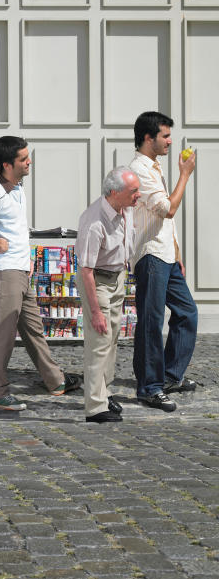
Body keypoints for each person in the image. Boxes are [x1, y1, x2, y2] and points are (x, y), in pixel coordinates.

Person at [0, 136, 81, 411]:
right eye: (23, 159)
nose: (29, 162)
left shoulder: (17, 188)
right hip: (5, 273)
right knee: (3, 334)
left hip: (20, 271)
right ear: (7, 164)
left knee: (33, 329)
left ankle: (55, 381)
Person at [128, 111, 198, 412]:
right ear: (148, 138)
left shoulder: (154, 167)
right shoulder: (139, 170)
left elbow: (165, 221)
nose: (170, 141)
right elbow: (167, 209)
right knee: (151, 322)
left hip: (167, 256)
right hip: (151, 256)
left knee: (187, 313)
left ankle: (169, 376)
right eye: (165, 136)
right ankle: (149, 387)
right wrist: (185, 175)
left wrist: (177, 253)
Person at [75, 167, 140, 424]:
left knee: (112, 340)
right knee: (99, 342)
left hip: (116, 278)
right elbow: (86, 271)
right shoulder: (94, 222)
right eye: (133, 191)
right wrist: (96, 311)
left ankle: (105, 392)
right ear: (114, 192)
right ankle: (94, 407)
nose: (138, 195)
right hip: (98, 282)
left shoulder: (125, 209)